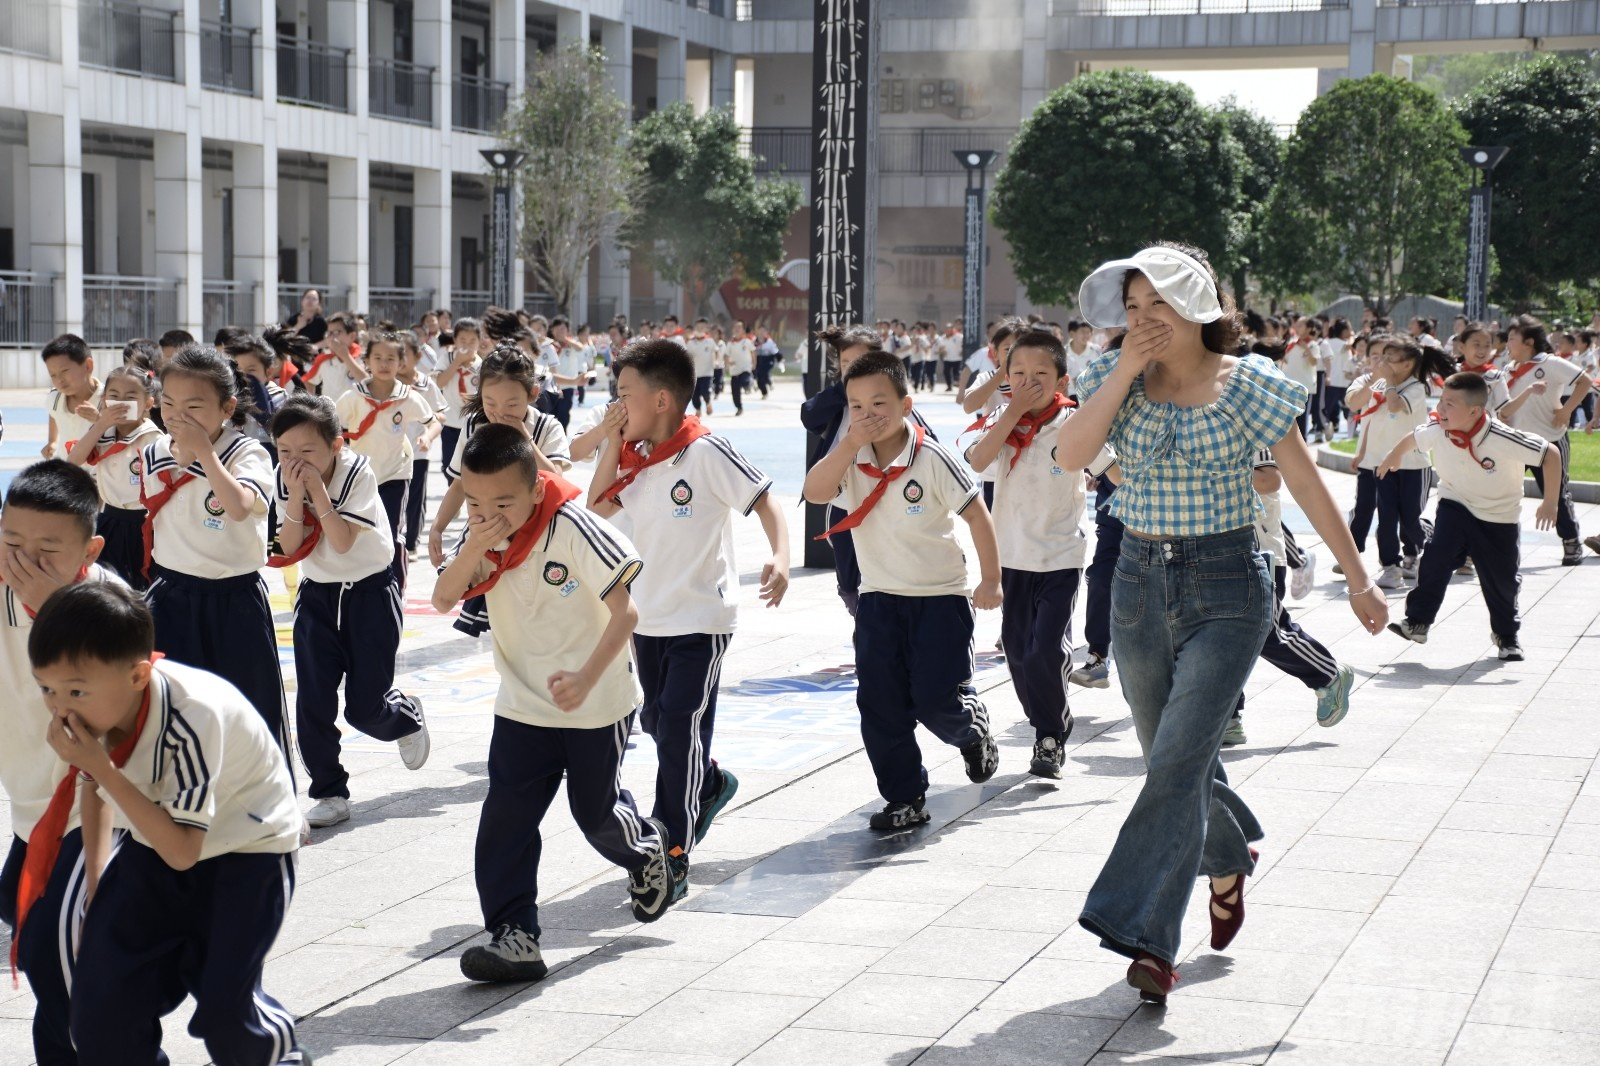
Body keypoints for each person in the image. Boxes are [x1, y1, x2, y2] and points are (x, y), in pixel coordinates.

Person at [1059, 242, 1385, 1003]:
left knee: (1177, 761)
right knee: (1169, 757)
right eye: (1132, 307)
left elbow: (1304, 481)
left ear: (1197, 307)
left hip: (1230, 584)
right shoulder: (1111, 377)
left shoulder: (1250, 383)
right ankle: (1229, 856)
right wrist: (1125, 372)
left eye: (1158, 304)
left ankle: (1146, 936)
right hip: (1137, 582)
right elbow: (1070, 454)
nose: (1144, 318)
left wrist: (1359, 577)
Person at [434, 425, 677, 983]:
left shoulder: (573, 527)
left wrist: (587, 678)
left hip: (597, 702)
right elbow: (445, 597)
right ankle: (514, 935)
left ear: (537, 487)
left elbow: (626, 613)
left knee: (594, 812)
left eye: (503, 503)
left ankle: (645, 850)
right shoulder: (481, 535)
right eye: (475, 503)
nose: (489, 515)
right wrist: (473, 544)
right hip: (522, 703)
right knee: (506, 820)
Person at [31, 582, 305, 1066]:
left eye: (75, 690)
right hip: (155, 839)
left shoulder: (192, 715)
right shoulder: (96, 710)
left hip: (250, 849)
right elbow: (94, 791)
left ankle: (278, 1058)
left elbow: (182, 851)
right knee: (102, 1004)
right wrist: (96, 890)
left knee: (226, 1010)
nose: (60, 708)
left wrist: (101, 768)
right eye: (47, 689)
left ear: (138, 675)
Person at [587, 339, 790, 894]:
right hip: (647, 621)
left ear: (661, 400)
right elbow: (596, 509)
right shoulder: (635, 460)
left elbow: (764, 499)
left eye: (624, 395)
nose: (616, 405)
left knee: (677, 728)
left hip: (701, 618)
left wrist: (780, 556)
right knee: (659, 723)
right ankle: (710, 782)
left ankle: (671, 848)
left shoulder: (705, 451)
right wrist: (612, 441)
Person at [803, 352, 1003, 828]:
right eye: (856, 406)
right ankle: (905, 797)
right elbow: (815, 492)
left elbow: (977, 515)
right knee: (880, 704)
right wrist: (848, 444)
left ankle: (970, 730)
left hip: (940, 600)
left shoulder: (931, 457)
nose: (867, 414)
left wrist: (991, 580)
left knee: (936, 698)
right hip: (878, 600)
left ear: (905, 405)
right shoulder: (851, 459)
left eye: (879, 403)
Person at [0, 462, 124, 1066]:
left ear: (89, 551)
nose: (26, 560)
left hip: (99, 807)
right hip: (32, 810)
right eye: (11, 542)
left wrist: (56, 610)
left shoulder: (111, 607)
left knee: (55, 959)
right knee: (27, 924)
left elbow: (119, 716)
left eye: (47, 550)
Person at [272, 395, 431, 830]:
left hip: (369, 595)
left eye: (308, 450)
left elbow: (341, 542)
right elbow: (285, 547)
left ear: (335, 445)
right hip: (317, 597)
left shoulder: (357, 471)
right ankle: (329, 791)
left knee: (364, 708)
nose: (295, 460)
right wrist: (295, 496)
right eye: (285, 450)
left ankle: (405, 717)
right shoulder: (280, 478)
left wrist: (317, 493)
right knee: (313, 702)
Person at [965, 328, 1115, 778]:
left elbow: (1113, 469)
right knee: (1017, 651)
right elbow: (977, 461)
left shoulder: (1074, 422)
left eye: (1040, 375)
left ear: (1062, 381)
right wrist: (1011, 412)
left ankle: (1049, 737)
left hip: (1060, 556)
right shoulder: (1002, 420)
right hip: (1011, 557)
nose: (1029, 382)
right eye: (1019, 374)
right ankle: (1047, 719)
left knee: (1044, 650)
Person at [140, 345, 289, 755]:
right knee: (170, 710)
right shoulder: (155, 452)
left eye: (194, 406)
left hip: (235, 598)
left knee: (250, 709)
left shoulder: (247, 452)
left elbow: (239, 507)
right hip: (172, 596)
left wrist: (204, 453)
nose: (178, 415)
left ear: (227, 407)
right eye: (169, 403)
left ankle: (265, 791)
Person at [1383, 372, 1559, 661]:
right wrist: (1394, 455)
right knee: (1436, 559)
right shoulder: (1439, 429)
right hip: (1455, 504)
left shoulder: (1501, 436)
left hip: (1498, 516)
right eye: (1441, 400)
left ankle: (1506, 636)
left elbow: (1550, 454)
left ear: (1475, 411)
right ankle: (1417, 621)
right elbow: (1413, 438)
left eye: (1450, 404)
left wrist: (1550, 502)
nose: (1440, 408)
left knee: (1502, 580)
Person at [429, 346, 573, 637]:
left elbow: (555, 478)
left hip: (539, 533)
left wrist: (524, 437)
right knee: (498, 610)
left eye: (511, 404)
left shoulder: (546, 427)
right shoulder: (475, 425)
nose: (499, 412)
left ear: (532, 393)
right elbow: (460, 484)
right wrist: (437, 527)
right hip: (490, 530)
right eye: (490, 402)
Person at [801, 324, 935, 617]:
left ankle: (874, 629)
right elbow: (809, 416)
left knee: (882, 575)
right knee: (849, 580)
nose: (853, 369)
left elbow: (929, 441)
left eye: (860, 362)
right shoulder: (839, 403)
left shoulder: (893, 404)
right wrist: (846, 389)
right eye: (846, 363)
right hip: (844, 504)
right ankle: (859, 615)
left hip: (889, 503)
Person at [1223, 450, 1355, 747]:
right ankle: (1227, 716)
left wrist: (1211, 474)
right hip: (1217, 551)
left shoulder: (1249, 424)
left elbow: (1270, 479)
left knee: (1268, 633)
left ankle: (1328, 674)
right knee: (1222, 641)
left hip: (1260, 554)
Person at [335, 329, 439, 583]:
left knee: (391, 532)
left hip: (395, 473)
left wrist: (427, 437)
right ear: (367, 362)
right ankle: (362, 580)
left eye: (391, 359)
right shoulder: (353, 397)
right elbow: (332, 426)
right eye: (378, 358)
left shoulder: (408, 397)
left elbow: (433, 421)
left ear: (401, 363)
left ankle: (394, 585)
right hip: (360, 475)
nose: (384, 364)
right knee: (360, 530)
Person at [1497, 315, 1588, 565]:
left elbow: (1585, 381)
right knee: (1501, 492)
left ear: (1528, 342)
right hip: (1515, 442)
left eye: (1512, 338)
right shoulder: (1508, 369)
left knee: (1556, 493)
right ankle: (1489, 545)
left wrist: (1567, 410)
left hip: (1550, 442)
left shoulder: (1550, 363)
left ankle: (1571, 541)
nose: (1507, 343)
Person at [65, 365, 162, 591]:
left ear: (148, 403)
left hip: (144, 524)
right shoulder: (102, 433)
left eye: (130, 397)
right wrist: (100, 424)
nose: (121, 403)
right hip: (108, 519)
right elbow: (73, 461)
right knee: (105, 585)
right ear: (104, 400)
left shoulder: (154, 439)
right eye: (114, 396)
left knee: (139, 587)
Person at [1364, 336, 1450, 589]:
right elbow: (1362, 409)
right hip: (1383, 463)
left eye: (1390, 358)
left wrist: (1389, 381)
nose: (1384, 362)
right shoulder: (1382, 383)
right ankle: (1391, 566)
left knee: (1410, 518)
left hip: (1413, 465)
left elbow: (1394, 407)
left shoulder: (1416, 388)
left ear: (1408, 364)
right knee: (1387, 517)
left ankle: (1420, 546)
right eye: (1384, 356)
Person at [398, 332, 448, 559]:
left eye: (403, 355)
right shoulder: (385, 384)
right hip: (390, 451)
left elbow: (441, 414)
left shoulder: (426, 384)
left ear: (417, 356)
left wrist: (427, 432)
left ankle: (411, 543)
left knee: (415, 498)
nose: (398, 361)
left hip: (418, 451)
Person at [435, 316, 484, 483]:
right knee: (448, 465)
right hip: (450, 422)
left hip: (473, 423)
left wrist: (475, 399)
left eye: (472, 341)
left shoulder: (481, 365)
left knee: (471, 464)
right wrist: (457, 362)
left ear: (479, 342)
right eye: (462, 340)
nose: (467, 345)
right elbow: (439, 383)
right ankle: (454, 490)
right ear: (455, 340)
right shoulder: (447, 359)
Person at [40, 333, 103, 460]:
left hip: (98, 471)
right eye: (53, 375)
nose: (59, 380)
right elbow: (53, 413)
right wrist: (52, 441)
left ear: (88, 366)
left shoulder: (108, 398)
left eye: (64, 371)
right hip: (67, 470)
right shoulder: (55, 398)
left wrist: (100, 420)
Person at [307, 312, 368, 403]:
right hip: (330, 410)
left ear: (352, 336)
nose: (332, 338)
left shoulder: (362, 358)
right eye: (329, 333)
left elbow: (367, 383)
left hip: (353, 411)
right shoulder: (324, 360)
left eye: (336, 333)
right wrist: (312, 403)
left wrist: (346, 356)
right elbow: (309, 381)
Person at [685, 318, 718, 417]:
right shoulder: (690, 343)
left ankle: (708, 403)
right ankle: (698, 409)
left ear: (706, 329)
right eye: (698, 327)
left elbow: (716, 351)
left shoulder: (710, 341)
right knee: (694, 395)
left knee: (705, 391)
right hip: (694, 373)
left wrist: (716, 361)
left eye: (702, 327)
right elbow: (688, 356)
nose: (700, 329)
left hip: (707, 372)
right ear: (695, 328)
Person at [726, 321, 755, 415]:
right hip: (734, 370)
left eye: (739, 327)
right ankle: (739, 407)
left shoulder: (747, 342)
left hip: (745, 368)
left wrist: (754, 363)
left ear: (743, 330)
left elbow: (753, 352)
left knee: (745, 380)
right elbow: (726, 355)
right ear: (732, 330)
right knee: (735, 392)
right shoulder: (730, 343)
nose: (737, 329)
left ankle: (749, 385)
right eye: (735, 327)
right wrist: (728, 363)